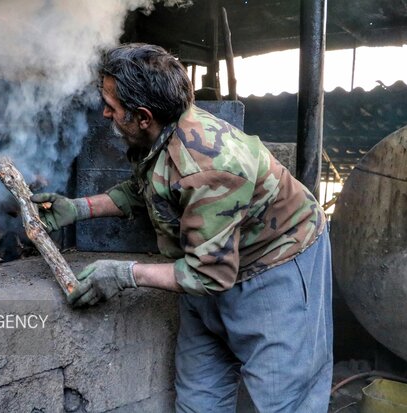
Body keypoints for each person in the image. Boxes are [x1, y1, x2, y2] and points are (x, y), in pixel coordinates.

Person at [31, 43, 333, 413]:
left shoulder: (208, 164)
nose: (105, 112)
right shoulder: (160, 133)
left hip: (275, 263)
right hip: (208, 264)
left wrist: (124, 274)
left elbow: (210, 275)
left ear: (143, 116)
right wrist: (78, 208)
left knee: (282, 400)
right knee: (198, 399)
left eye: (111, 106)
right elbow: (152, 191)